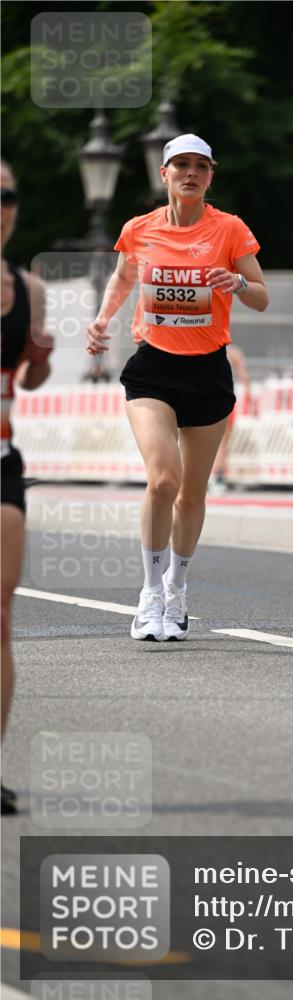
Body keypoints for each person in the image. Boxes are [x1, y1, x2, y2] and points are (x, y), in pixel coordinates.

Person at [85, 134, 268, 642]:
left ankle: (177, 590)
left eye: (200, 167)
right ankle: (148, 596)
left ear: (211, 176)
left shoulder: (229, 229)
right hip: (153, 369)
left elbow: (262, 297)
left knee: (191, 494)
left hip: (207, 370)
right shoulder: (139, 230)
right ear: (163, 174)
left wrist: (237, 285)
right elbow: (123, 280)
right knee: (163, 479)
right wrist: (102, 321)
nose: (191, 173)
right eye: (180, 165)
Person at [1, 160, 54, 814]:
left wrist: (39, 359)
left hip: (2, 459)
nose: (2, 206)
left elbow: (34, 379)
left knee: (2, 617)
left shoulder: (30, 289)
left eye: (9, 195)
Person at [209, 342, 251, 493]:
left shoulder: (204, 348)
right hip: (224, 398)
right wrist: (250, 400)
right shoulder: (234, 352)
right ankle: (218, 478)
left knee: (196, 441)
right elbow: (244, 376)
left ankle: (203, 476)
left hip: (205, 398)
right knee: (222, 444)